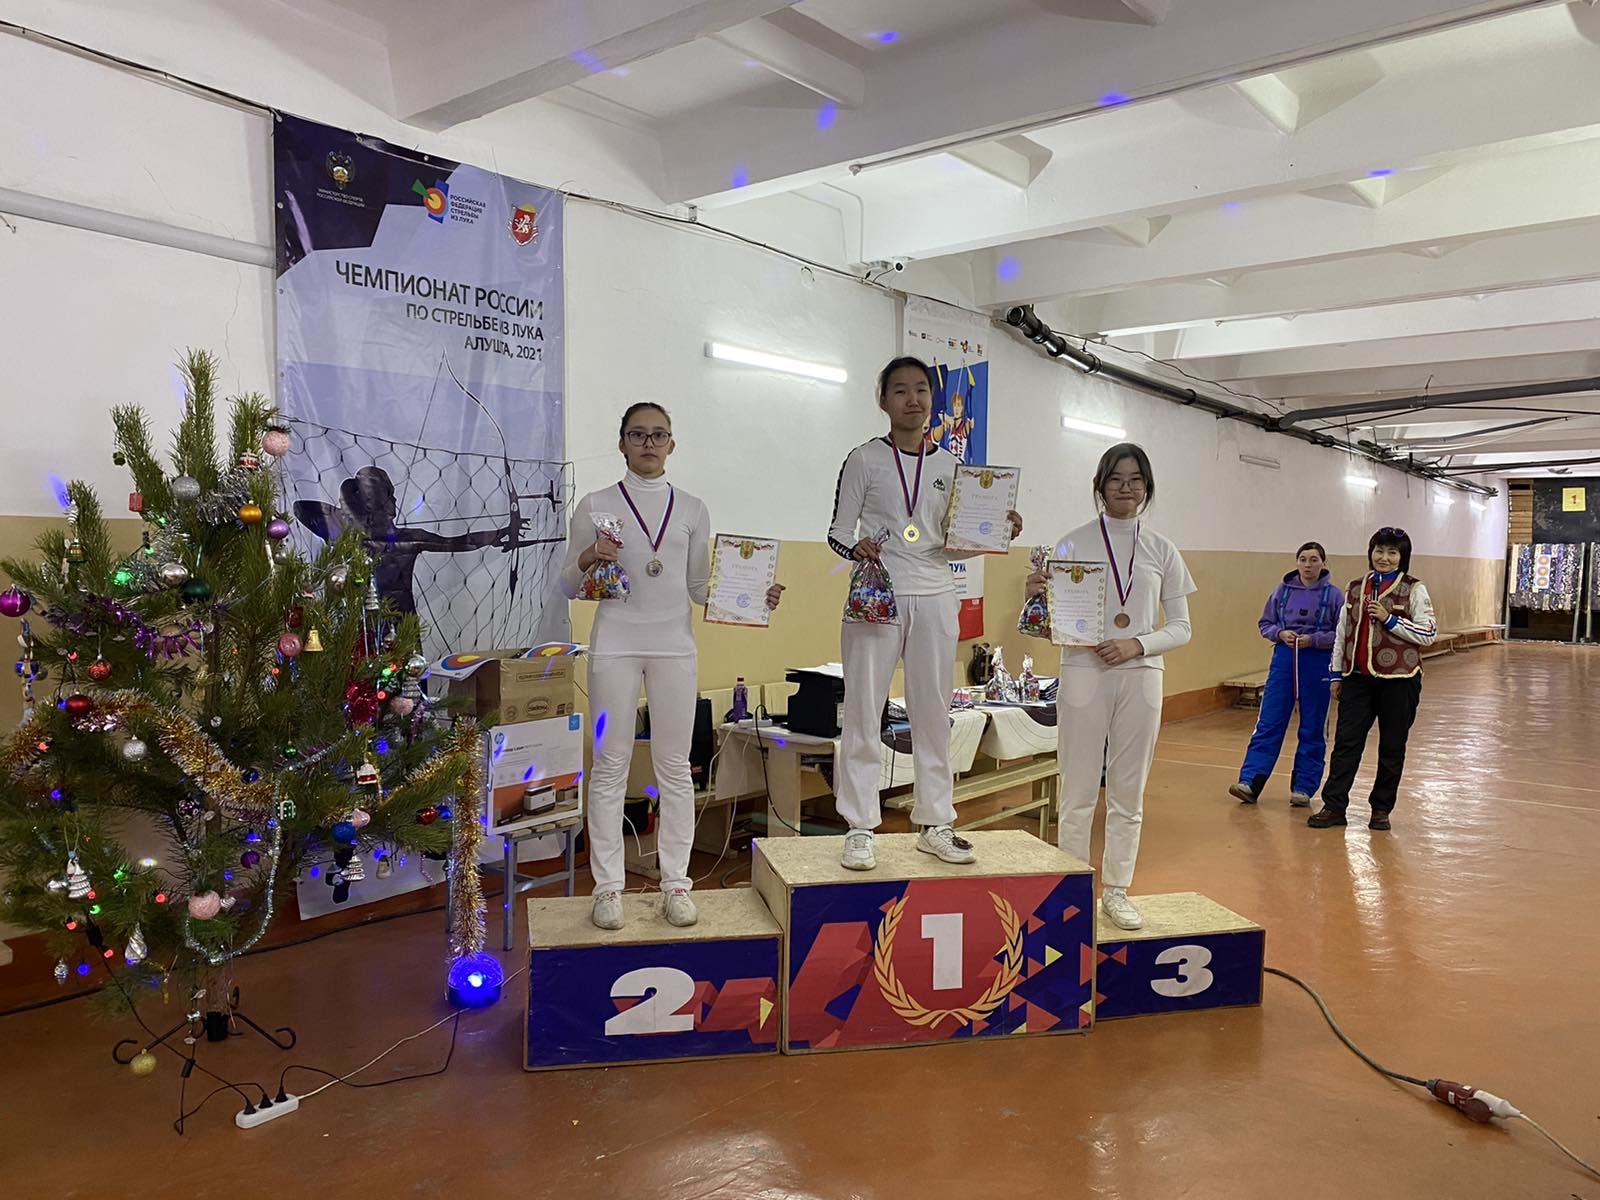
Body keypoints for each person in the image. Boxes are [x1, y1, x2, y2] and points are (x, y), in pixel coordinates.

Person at [561, 403, 784, 929]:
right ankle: (608, 888)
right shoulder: (595, 504)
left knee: (676, 766)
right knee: (610, 764)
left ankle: (677, 884)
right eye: (638, 434)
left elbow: (700, 587)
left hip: (674, 648)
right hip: (614, 645)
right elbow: (568, 583)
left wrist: (755, 595)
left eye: (658, 435)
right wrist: (591, 554)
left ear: (671, 444)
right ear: (621, 442)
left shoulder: (692, 508)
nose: (648, 443)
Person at [828, 356, 1022, 872]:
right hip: (878, 595)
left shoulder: (953, 468)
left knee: (933, 712)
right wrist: (857, 549)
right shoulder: (864, 459)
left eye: (920, 390)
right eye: (900, 390)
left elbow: (952, 545)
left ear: (933, 400)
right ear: (883, 399)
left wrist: (995, 530)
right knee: (864, 710)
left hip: (936, 594)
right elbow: (837, 532)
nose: (911, 399)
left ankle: (935, 822)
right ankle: (860, 826)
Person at [1027, 443, 1195, 930]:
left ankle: (1117, 891)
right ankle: (1071, 892)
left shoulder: (1162, 549)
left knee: (1127, 793)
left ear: (1147, 487)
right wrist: (1034, 599)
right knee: (1077, 789)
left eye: (1136, 479)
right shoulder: (1070, 545)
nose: (1126, 487)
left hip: (1141, 676)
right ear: (1100, 485)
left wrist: (1137, 644)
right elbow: (1046, 625)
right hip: (1084, 671)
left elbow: (1182, 627)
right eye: (1116, 478)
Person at [1308, 528, 1435, 831]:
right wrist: (1336, 674)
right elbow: (1342, 633)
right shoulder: (1355, 588)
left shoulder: (1414, 589)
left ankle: (1381, 809)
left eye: (1392, 552)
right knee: (1346, 744)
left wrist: (1390, 620)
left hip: (1400, 680)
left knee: (1392, 746)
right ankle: (1334, 805)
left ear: (1402, 557)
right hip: (1357, 679)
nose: (1384, 558)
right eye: (1379, 551)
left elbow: (1428, 633)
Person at [1229, 542, 1344, 807]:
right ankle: (1250, 781)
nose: (1308, 564)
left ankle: (1303, 787)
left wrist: (1314, 640)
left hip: (1317, 662)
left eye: (1313, 559)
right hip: (1284, 660)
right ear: (1296, 562)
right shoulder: (1281, 591)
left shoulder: (1335, 596)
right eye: (1303, 559)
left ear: (1323, 563)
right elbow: (1265, 623)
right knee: (1269, 721)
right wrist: (1280, 633)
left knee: (1313, 724)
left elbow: (1342, 634)